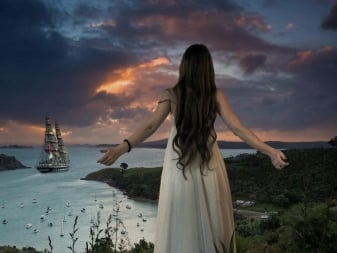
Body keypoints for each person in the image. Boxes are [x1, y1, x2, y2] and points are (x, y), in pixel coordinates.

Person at [97, 44, 289, 253]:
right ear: (208, 67)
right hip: (210, 164)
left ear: (184, 67)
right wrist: (269, 151)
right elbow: (238, 128)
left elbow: (151, 126)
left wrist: (119, 149)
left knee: (181, 220)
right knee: (212, 220)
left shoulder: (171, 94)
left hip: (178, 165)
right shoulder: (214, 94)